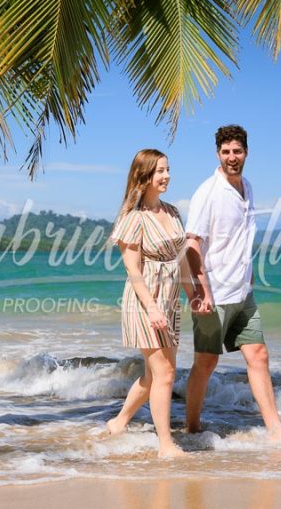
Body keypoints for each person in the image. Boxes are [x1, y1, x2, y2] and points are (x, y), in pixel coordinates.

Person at [184, 125, 281, 448]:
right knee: (206, 362)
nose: (232, 157)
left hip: (242, 292)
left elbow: (241, 238)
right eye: (226, 152)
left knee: (259, 354)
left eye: (237, 151)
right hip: (214, 294)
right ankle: (191, 425)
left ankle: (276, 429)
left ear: (246, 153)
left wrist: (250, 272)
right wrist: (203, 290)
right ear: (217, 154)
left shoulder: (248, 188)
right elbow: (191, 246)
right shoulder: (208, 193)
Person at [106, 149, 194, 459]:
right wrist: (153, 308)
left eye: (168, 169)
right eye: (160, 171)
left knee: (152, 375)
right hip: (145, 303)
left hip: (169, 301)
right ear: (144, 177)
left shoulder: (172, 212)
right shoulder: (134, 219)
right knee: (166, 374)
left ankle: (119, 421)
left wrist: (193, 293)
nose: (167, 175)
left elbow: (180, 260)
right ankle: (166, 445)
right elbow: (133, 270)